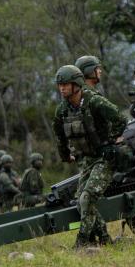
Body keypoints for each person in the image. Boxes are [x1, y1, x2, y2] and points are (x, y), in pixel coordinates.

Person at [52, 64, 127, 248]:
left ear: (76, 84)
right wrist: (65, 155)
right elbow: (60, 136)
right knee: (80, 202)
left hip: (104, 158)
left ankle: (82, 243)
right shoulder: (62, 110)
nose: (62, 88)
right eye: (60, 85)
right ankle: (104, 240)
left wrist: (113, 141)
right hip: (87, 159)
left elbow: (120, 119)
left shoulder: (94, 101)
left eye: (66, 84)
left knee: (87, 198)